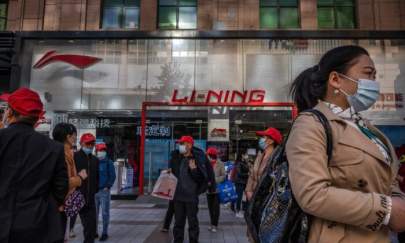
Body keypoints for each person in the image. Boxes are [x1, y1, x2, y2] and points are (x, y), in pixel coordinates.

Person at [287, 45, 405, 243]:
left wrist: (397, 199)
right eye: (368, 73)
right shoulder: (310, 124)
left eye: (375, 75)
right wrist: (387, 209)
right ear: (335, 79)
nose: (374, 82)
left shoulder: (368, 128)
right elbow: (312, 194)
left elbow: (387, 179)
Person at [0, 88, 69, 243]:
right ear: (37, 117)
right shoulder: (54, 148)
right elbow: (61, 188)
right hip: (37, 226)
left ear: (10, 112)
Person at [170, 136, 210, 243]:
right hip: (178, 197)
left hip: (191, 197)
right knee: (178, 224)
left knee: (193, 223)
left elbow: (200, 179)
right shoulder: (177, 158)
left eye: (183, 143)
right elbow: (173, 174)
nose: (181, 146)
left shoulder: (196, 160)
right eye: (180, 144)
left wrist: (194, 170)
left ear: (189, 145)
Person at [52, 123, 88, 242]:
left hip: (55, 204)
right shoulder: (64, 154)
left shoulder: (54, 150)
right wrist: (80, 178)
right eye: (74, 136)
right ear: (68, 137)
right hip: (60, 206)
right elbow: (64, 182)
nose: (75, 138)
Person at [245, 127, 282, 202]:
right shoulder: (260, 155)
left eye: (263, 137)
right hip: (253, 196)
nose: (261, 140)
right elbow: (252, 174)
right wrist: (248, 191)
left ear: (271, 141)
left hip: (266, 199)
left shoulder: (276, 159)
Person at [75, 133, 99, 243]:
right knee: (85, 225)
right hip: (78, 197)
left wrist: (95, 190)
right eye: (88, 143)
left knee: (92, 227)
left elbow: (97, 177)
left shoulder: (95, 159)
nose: (90, 146)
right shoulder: (75, 157)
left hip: (91, 198)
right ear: (81, 143)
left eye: (92, 143)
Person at [95, 143, 116, 241]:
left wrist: (108, 186)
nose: (101, 152)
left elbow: (112, 176)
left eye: (103, 150)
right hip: (94, 192)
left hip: (104, 191)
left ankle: (104, 232)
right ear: (96, 151)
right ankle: (94, 232)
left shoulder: (109, 162)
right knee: (94, 213)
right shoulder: (93, 162)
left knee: (104, 213)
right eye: (100, 150)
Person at [206, 147, 226, 233]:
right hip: (208, 189)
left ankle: (215, 225)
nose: (207, 156)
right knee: (210, 208)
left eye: (208, 155)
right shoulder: (206, 164)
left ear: (211, 155)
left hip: (217, 189)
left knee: (216, 208)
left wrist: (214, 180)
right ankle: (211, 223)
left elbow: (224, 176)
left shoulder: (220, 163)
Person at [233, 150, 250, 218]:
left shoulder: (245, 162)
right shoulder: (238, 163)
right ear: (242, 155)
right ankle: (237, 210)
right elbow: (239, 173)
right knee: (239, 197)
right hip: (239, 182)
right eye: (245, 154)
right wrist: (247, 174)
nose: (247, 155)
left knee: (245, 197)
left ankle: (245, 209)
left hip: (244, 182)